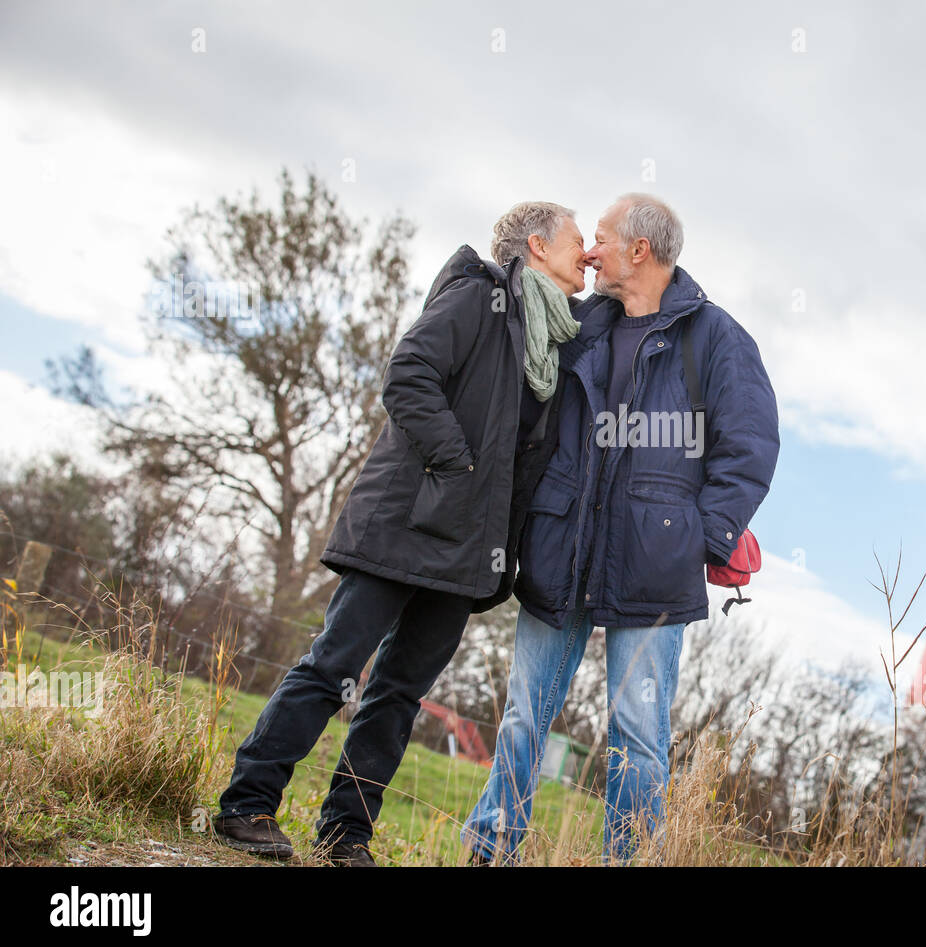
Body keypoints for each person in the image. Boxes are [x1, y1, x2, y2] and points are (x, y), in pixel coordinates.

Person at [212, 201, 587, 865]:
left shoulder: (550, 342)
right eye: (578, 241)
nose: (586, 254)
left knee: (398, 696)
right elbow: (408, 373)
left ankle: (345, 835)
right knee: (333, 668)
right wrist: (457, 463)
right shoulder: (478, 299)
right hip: (405, 522)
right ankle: (248, 805)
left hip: (468, 550)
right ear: (537, 244)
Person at [461, 194, 780, 864]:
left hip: (654, 565)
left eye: (602, 238)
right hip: (561, 545)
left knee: (637, 735)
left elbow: (749, 446)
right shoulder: (580, 325)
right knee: (524, 715)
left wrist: (700, 537)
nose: (591, 252)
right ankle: (491, 849)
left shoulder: (718, 338)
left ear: (641, 250)